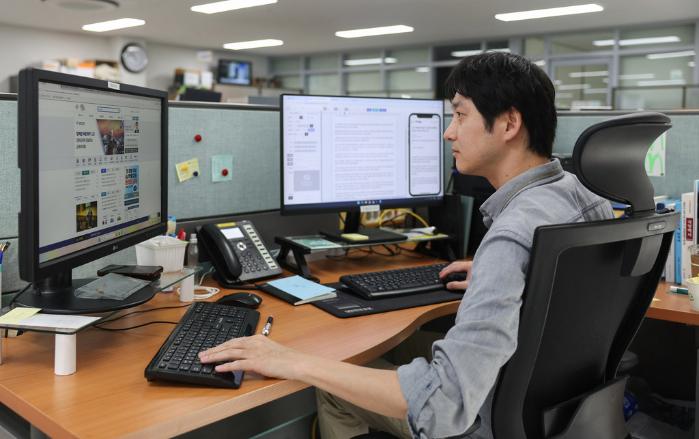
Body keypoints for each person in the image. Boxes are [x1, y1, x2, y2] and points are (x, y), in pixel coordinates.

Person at [198, 52, 613, 438]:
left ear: (508, 124)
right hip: (557, 416)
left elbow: (443, 405)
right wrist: (506, 276)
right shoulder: (584, 198)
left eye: (460, 115)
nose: (448, 132)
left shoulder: (511, 236)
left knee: (332, 384)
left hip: (484, 422)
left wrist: (291, 361)